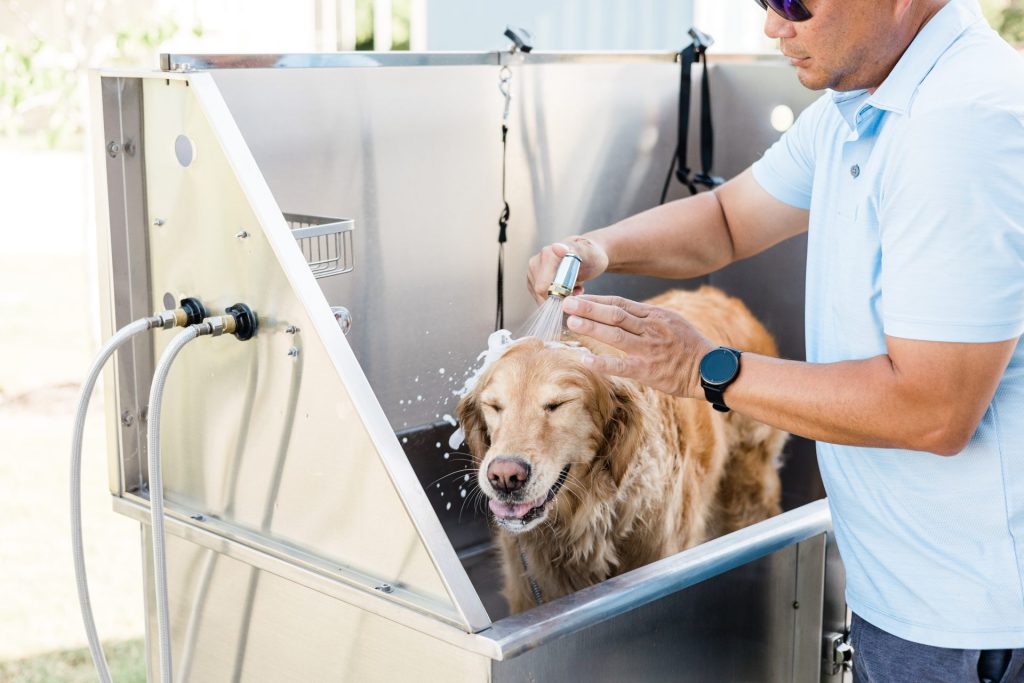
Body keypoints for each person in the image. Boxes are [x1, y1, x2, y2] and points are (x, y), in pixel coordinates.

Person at [526, 1, 1024, 681]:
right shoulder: (866, 100)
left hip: (971, 623)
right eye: (763, 2)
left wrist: (706, 367)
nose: (772, 27)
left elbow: (933, 409)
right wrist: (595, 247)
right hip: (910, 591)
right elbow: (729, 219)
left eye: (796, 4)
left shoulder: (960, 127)